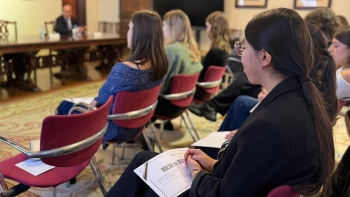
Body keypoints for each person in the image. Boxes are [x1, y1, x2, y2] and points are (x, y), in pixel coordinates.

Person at [106, 8, 338, 197]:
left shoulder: (270, 125)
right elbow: (249, 173)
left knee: (145, 177)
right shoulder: (301, 96)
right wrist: (213, 164)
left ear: (265, 57)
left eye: (243, 47)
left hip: (210, 190)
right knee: (143, 160)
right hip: (225, 179)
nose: (239, 54)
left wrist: (198, 174)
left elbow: (224, 193)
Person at [55, 10, 168, 144]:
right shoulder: (161, 65)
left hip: (113, 128)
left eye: (130, 28)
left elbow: (102, 98)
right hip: (139, 124)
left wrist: (95, 102)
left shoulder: (123, 70)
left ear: (139, 34)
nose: (127, 33)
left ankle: (63, 152)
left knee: (65, 105)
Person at [153, 10, 203, 130]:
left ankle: (133, 134)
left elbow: (160, 88)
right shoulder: (192, 49)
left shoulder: (172, 50)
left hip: (167, 106)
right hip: (184, 103)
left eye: (164, 25)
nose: (161, 28)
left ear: (172, 28)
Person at [328, 26, 350, 197]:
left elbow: (319, 95)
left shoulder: (347, 74)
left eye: (336, 45)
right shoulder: (342, 70)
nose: (330, 49)